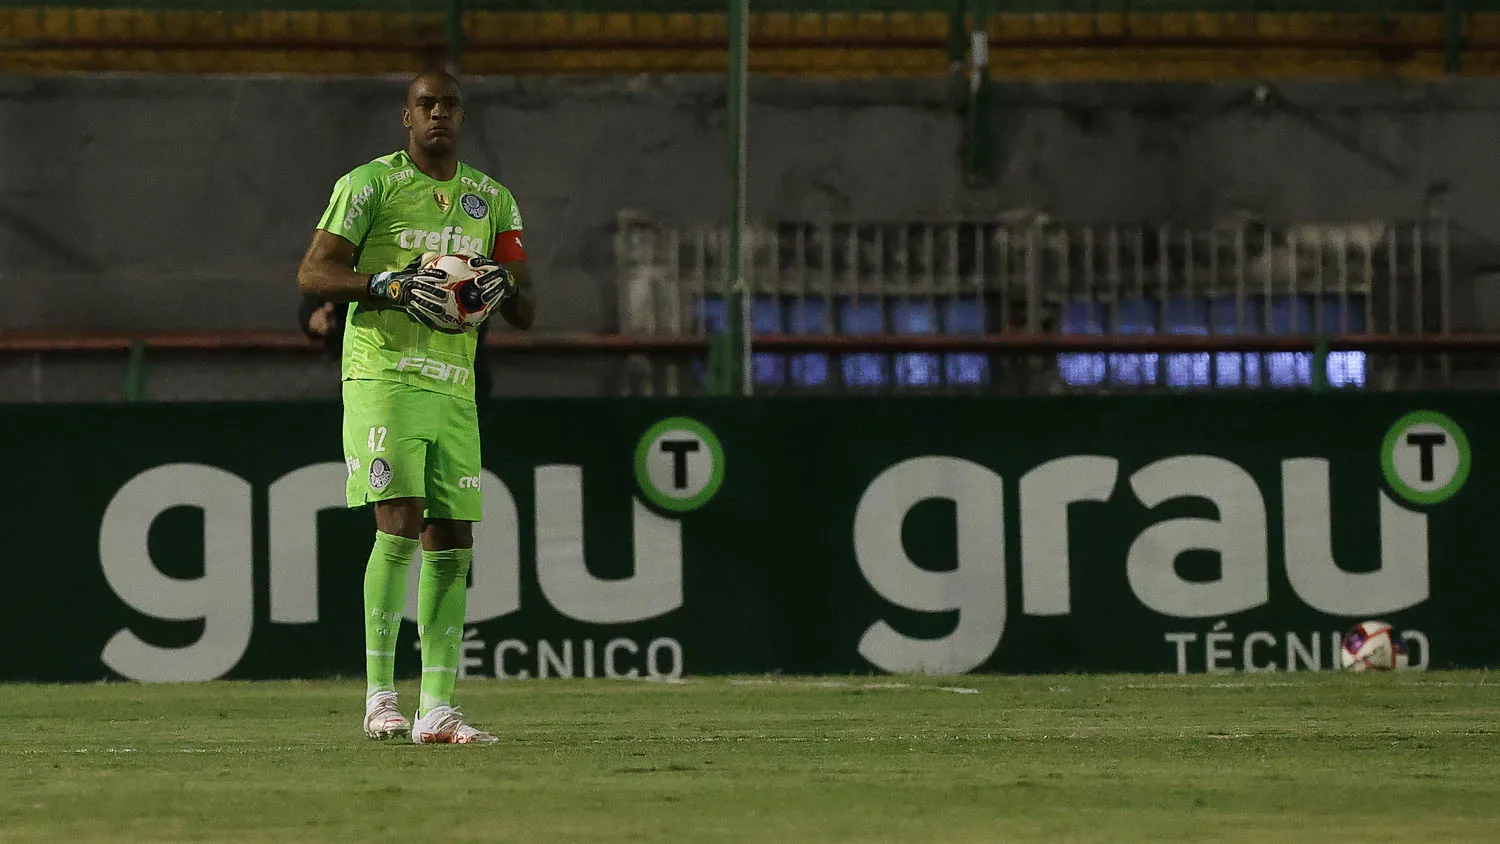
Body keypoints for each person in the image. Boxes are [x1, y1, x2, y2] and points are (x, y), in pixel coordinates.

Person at [295, 70, 536, 744]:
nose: (438, 115)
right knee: (398, 521)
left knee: (454, 535)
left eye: (449, 105)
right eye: (425, 105)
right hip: (383, 375)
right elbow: (314, 272)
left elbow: (527, 309)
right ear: (407, 116)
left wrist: (497, 284)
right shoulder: (369, 185)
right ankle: (379, 698)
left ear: (463, 115)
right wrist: (385, 283)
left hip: (453, 387)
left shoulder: (494, 202)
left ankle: (437, 709)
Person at [299, 293, 495, 399]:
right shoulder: (368, 241)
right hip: (376, 380)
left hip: (453, 379)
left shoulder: (453, 247)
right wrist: (313, 315)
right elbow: (317, 283)